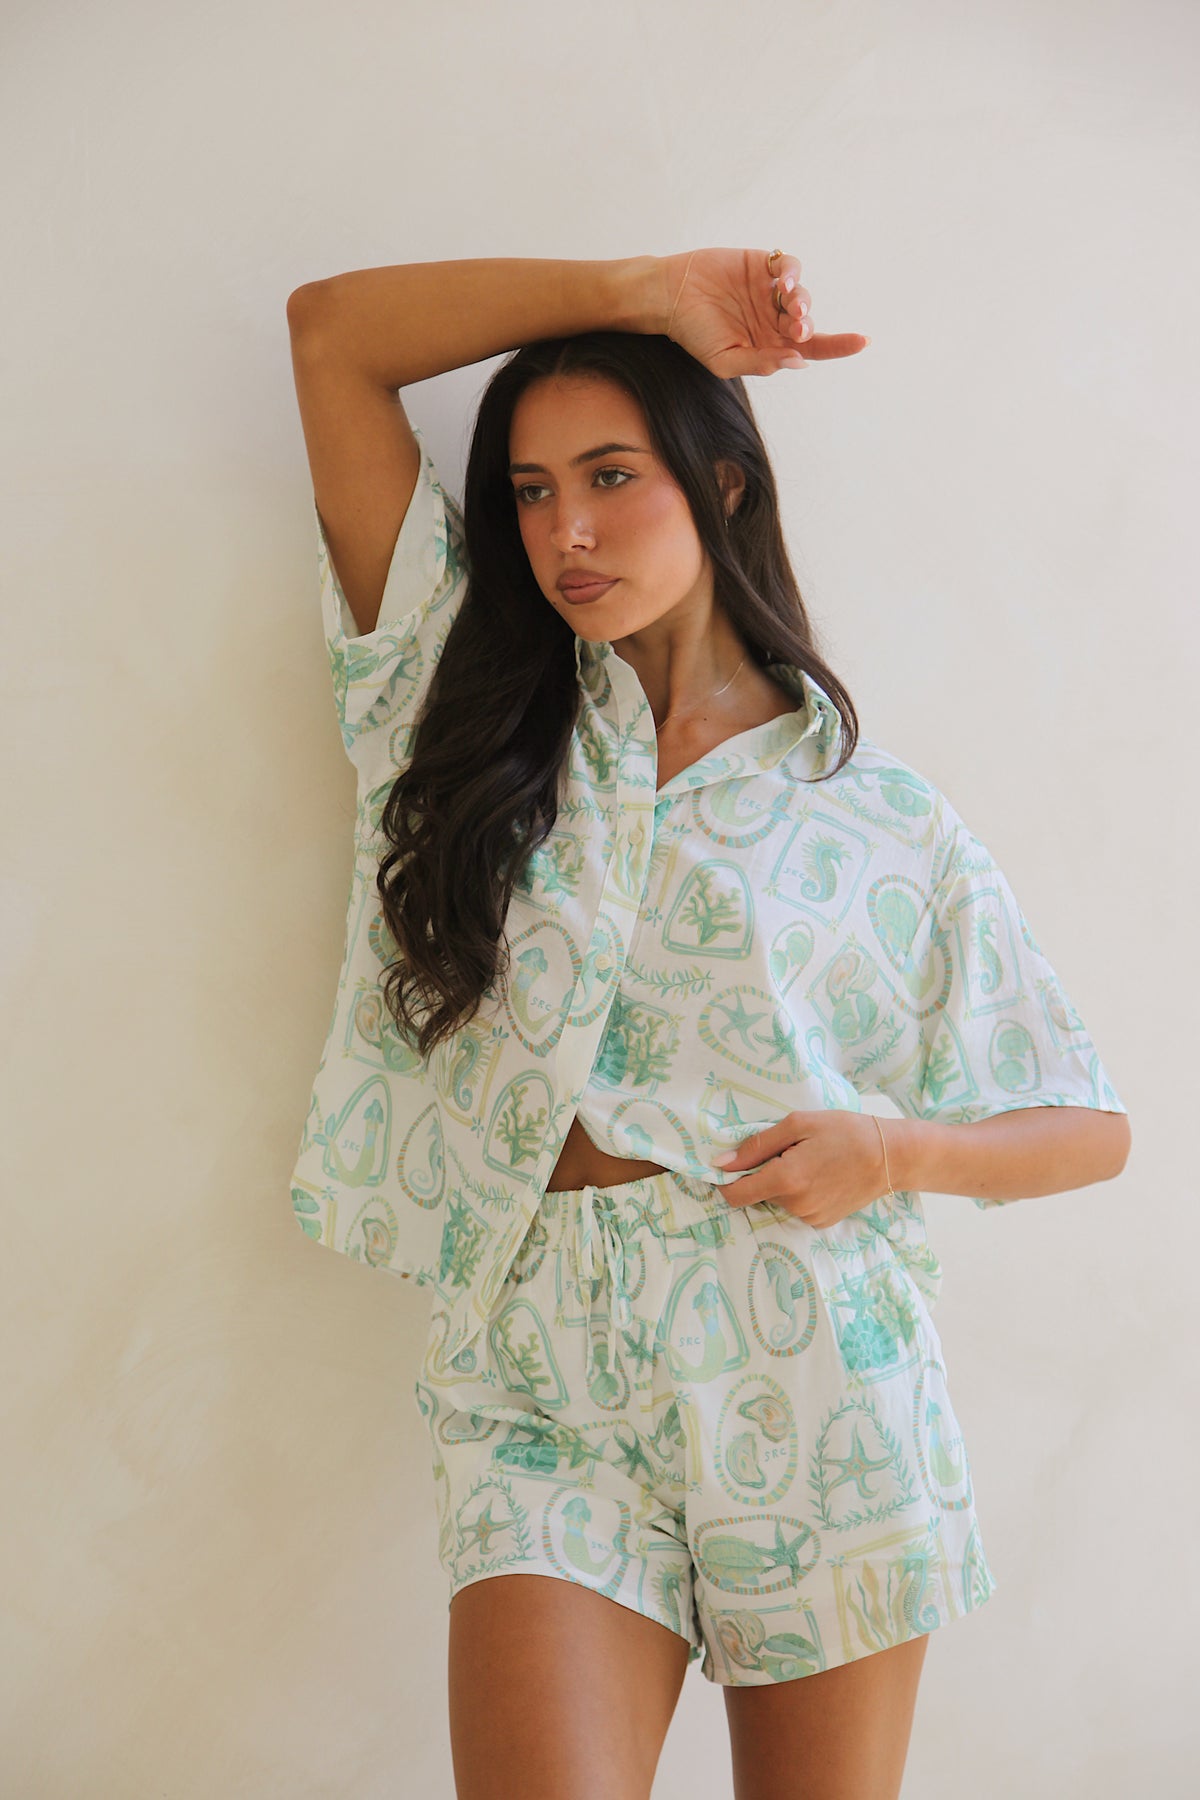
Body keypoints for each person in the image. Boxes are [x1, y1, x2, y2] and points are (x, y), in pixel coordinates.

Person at [285, 248, 1131, 1800]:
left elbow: (1086, 1127)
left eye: (612, 476)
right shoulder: (456, 695)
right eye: (531, 490)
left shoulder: (879, 816)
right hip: (538, 1373)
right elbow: (332, 337)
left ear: (724, 484)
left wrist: (895, 1152)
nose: (566, 531)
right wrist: (642, 294)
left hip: (812, 1365)